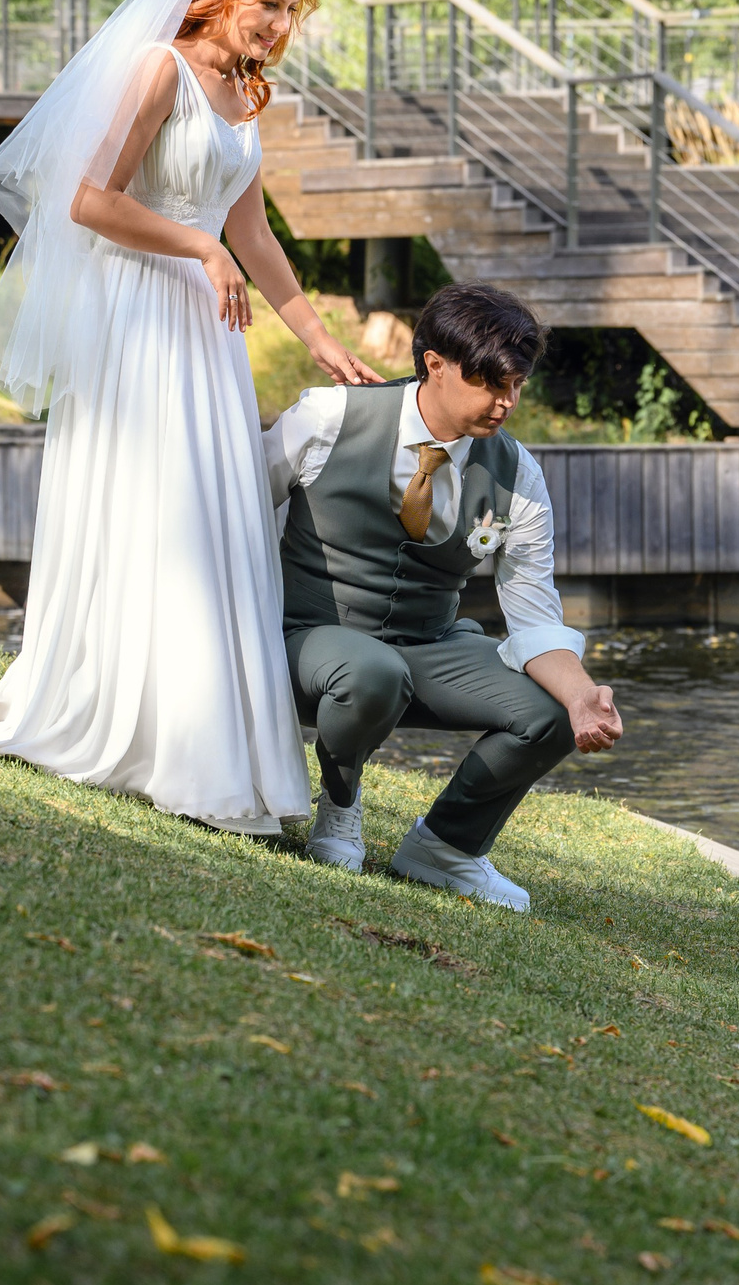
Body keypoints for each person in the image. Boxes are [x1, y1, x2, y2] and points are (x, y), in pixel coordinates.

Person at [0, 0, 376, 830]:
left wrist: (316, 336)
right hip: (139, 317)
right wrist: (197, 248)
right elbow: (89, 199)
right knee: (153, 507)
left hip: (207, 334)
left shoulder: (246, 92)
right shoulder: (158, 69)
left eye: (290, 10)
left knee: (211, 515)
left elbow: (251, 233)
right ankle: (128, 723)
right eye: (266, 3)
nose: (278, 24)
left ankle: (205, 740)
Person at [266, 282, 622, 912]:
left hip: (428, 644)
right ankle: (339, 809)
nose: (506, 402)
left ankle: (446, 848)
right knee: (373, 670)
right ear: (435, 363)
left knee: (550, 711)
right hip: (305, 639)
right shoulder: (327, 418)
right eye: (491, 383)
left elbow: (533, 617)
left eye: (517, 385)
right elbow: (233, 508)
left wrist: (581, 698)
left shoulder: (518, 473)